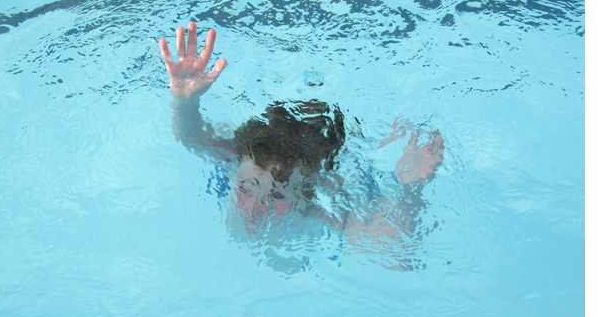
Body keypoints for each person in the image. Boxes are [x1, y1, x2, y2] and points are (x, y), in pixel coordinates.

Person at [159, 22, 444, 241]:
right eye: (245, 188)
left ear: (307, 192)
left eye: (277, 197)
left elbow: (394, 252)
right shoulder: (237, 157)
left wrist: (411, 188)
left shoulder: (316, 203)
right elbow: (191, 137)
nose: (254, 208)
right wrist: (185, 100)